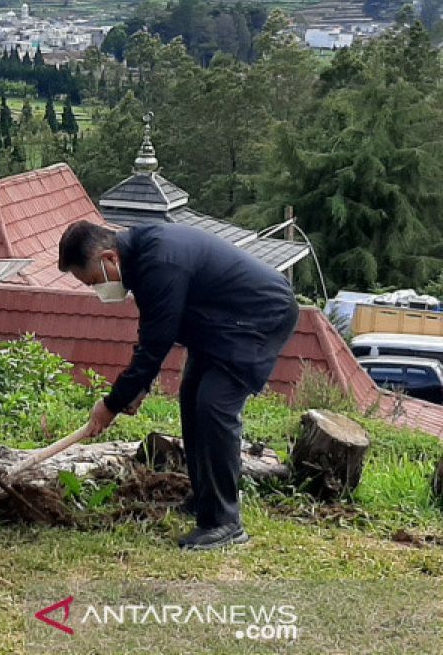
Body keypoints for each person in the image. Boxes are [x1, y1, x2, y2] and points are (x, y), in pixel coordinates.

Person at [58, 221, 299, 551]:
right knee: (191, 397)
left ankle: (226, 523)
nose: (98, 290)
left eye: (95, 281)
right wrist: (137, 388)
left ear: (109, 258)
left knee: (214, 406)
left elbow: (155, 344)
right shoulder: (143, 256)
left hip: (260, 315)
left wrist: (111, 404)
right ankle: (205, 501)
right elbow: (155, 332)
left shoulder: (160, 262)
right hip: (219, 323)